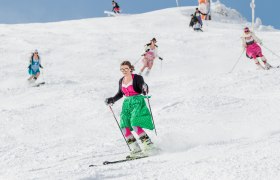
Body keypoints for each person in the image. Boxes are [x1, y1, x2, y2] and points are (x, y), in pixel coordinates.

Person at [105, 61, 155, 158]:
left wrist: (145, 87)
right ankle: (135, 149)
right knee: (124, 126)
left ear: (130, 68)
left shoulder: (137, 78)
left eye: (126, 69)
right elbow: (120, 93)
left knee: (135, 123)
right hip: (127, 103)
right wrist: (112, 99)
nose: (124, 71)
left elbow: (142, 86)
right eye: (122, 69)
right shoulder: (121, 80)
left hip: (137, 101)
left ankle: (149, 146)